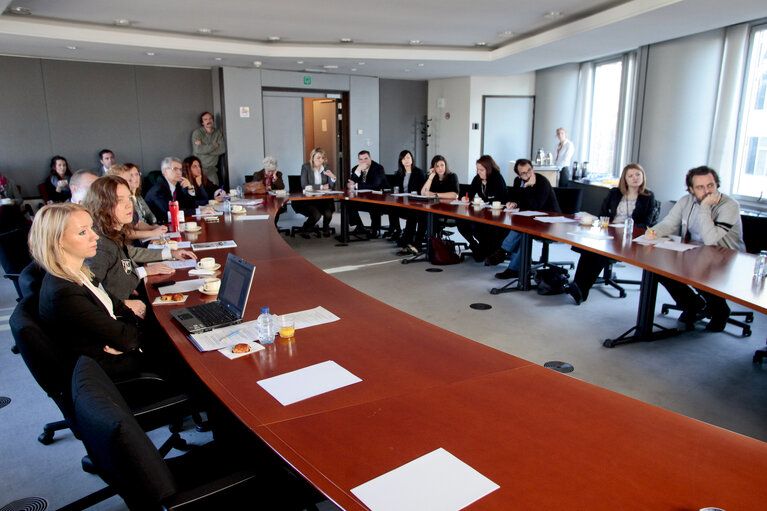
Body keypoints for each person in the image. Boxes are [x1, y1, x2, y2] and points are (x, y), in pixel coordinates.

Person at [31, 202, 148, 380]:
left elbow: (119, 307)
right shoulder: (64, 292)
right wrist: (128, 339)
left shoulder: (81, 273)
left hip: (117, 354)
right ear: (58, 241)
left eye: (91, 228)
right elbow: (127, 339)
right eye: (82, 232)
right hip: (110, 374)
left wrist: (128, 333)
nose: (95, 237)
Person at [645, 165, 744, 331]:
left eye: (710, 185)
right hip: (696, 252)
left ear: (717, 185)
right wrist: (654, 232)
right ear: (691, 189)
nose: (707, 191)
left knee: (697, 270)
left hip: (727, 257)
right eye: (700, 187)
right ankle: (693, 305)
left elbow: (710, 239)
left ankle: (720, 309)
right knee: (659, 268)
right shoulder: (686, 201)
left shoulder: (729, 205)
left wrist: (704, 207)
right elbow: (670, 223)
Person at [83, 175, 196, 302]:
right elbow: (88, 290)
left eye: (129, 198)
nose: (129, 205)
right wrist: (123, 305)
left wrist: (172, 253)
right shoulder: (101, 244)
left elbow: (130, 252)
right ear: (102, 206)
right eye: (119, 200)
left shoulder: (112, 234)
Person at [567, 163, 657, 304]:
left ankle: (581, 290)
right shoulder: (615, 192)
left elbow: (646, 223)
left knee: (600, 252)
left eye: (638, 175)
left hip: (629, 236)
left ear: (643, 176)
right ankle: (577, 285)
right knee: (589, 247)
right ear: (624, 179)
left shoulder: (648, 196)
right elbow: (603, 213)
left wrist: (623, 227)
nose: (635, 178)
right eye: (631, 175)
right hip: (609, 231)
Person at [489, 158, 560, 279]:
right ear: (518, 175)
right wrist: (514, 204)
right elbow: (516, 198)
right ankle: (512, 263)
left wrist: (528, 186)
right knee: (519, 227)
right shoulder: (518, 181)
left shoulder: (542, 182)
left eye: (529, 170)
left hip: (549, 222)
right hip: (531, 219)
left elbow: (535, 206)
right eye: (523, 173)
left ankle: (505, 255)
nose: (528, 174)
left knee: (523, 231)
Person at [457, 155, 508, 262]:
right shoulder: (477, 179)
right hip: (483, 214)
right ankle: (474, 245)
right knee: (461, 222)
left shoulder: (497, 178)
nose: (478, 172)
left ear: (488, 169)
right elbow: (469, 193)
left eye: (481, 170)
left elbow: (501, 200)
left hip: (497, 215)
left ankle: (488, 249)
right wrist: (465, 198)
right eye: (477, 169)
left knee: (482, 227)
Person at [106, 165, 167, 240]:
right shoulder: (110, 204)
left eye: (128, 180)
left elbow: (137, 223)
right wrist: (152, 232)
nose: (130, 182)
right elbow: (125, 233)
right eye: (124, 180)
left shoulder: (130, 198)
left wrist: (153, 228)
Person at [294, 148, 337, 237]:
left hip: (323, 199)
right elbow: (304, 185)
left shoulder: (326, 167)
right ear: (312, 158)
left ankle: (326, 227)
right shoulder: (306, 167)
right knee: (316, 214)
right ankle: (306, 228)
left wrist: (333, 177)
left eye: (322, 158)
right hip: (309, 199)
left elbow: (331, 186)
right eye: (318, 157)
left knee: (328, 213)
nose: (321, 160)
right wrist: (321, 187)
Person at [391, 150, 426, 252]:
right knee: (391, 209)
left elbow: (422, 191)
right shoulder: (399, 173)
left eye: (408, 158)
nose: (406, 160)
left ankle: (407, 241)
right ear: (400, 161)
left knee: (413, 214)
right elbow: (396, 188)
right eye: (403, 158)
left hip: (416, 203)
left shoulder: (418, 173)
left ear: (412, 159)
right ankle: (398, 233)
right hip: (403, 203)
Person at [347, 150, 387, 236]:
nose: (363, 161)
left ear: (370, 158)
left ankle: (375, 229)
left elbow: (375, 185)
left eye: (366, 158)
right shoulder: (356, 168)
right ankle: (360, 226)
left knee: (374, 205)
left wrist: (356, 185)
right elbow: (350, 184)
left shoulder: (378, 168)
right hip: (363, 198)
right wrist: (358, 170)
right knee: (348, 203)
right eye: (361, 159)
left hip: (379, 198)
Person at [192, 112, 226, 185]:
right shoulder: (197, 133)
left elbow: (222, 149)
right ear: (202, 123)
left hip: (212, 170)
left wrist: (203, 146)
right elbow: (198, 150)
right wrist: (214, 146)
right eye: (205, 119)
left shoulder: (218, 132)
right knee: (200, 192)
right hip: (199, 169)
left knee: (216, 191)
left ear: (213, 120)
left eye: (210, 119)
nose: (208, 121)